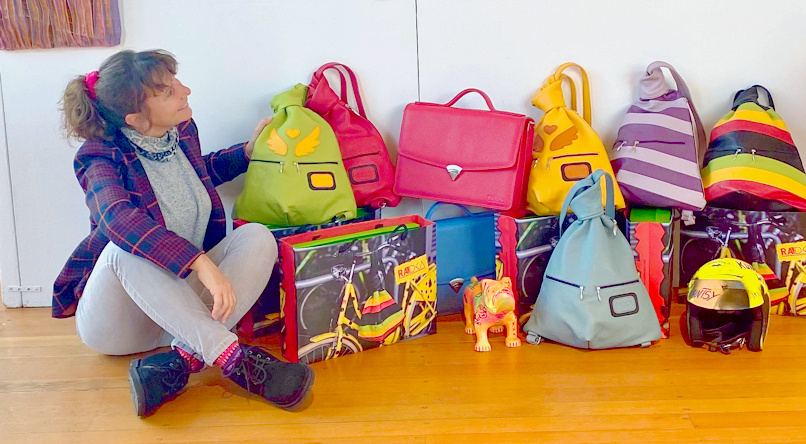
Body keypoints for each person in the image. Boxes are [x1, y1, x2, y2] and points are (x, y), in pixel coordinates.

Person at [54, 49, 314, 417]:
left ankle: (178, 364)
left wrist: (246, 153)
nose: (186, 91)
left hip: (177, 314)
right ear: (136, 119)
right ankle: (236, 360)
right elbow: (117, 218)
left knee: (257, 236)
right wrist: (199, 262)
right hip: (120, 323)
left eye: (177, 82)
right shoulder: (99, 155)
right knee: (124, 248)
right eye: (167, 91)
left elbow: (196, 176)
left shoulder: (180, 132)